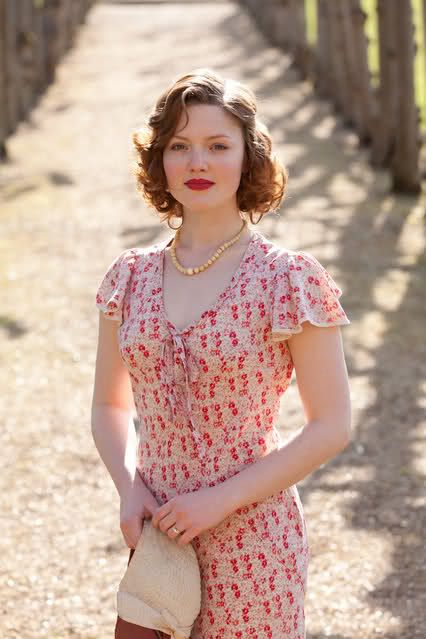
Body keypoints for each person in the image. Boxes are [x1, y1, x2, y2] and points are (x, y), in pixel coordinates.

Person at [91, 67, 352, 639]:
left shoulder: (287, 279)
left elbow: (331, 425)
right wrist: (130, 487)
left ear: (248, 158)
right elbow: (109, 408)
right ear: (159, 160)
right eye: (179, 146)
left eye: (217, 146)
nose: (197, 163)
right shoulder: (129, 278)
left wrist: (220, 500)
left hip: (254, 536)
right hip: (160, 534)